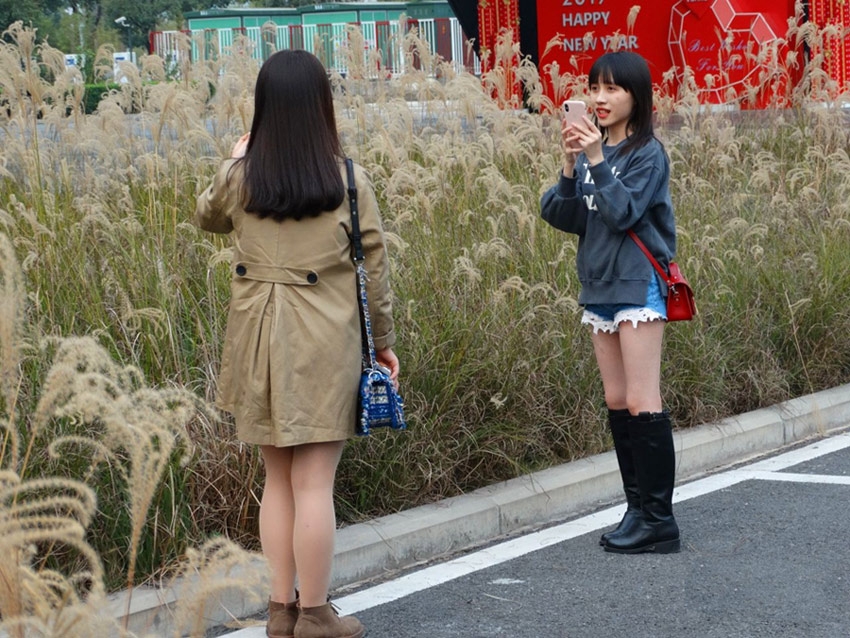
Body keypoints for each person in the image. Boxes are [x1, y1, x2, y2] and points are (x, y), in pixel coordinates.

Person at [195, 49, 398, 638]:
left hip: (256, 339)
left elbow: (206, 216)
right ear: (320, 107)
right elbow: (374, 272)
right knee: (314, 484)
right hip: (323, 343)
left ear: (263, 109)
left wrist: (233, 160)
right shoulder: (348, 180)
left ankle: (279, 612)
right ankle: (314, 615)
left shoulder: (241, 178)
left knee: (276, 481)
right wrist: (382, 343)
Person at [540, 50, 680, 554]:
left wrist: (597, 159)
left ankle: (659, 521)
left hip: (638, 285)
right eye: (594, 88)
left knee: (642, 401)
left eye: (612, 88)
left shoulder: (647, 154)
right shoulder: (592, 154)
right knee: (617, 401)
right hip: (598, 286)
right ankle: (637, 510)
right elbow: (562, 215)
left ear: (635, 96)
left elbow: (622, 213)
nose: (599, 98)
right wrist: (570, 163)